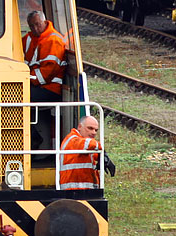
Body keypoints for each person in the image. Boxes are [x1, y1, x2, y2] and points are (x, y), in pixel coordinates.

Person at [23, 10, 67, 153]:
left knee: (16, 99)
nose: (35, 28)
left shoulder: (53, 40)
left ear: (44, 21)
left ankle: (34, 138)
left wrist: (26, 79)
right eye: (32, 26)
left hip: (51, 89)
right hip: (35, 84)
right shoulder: (31, 38)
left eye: (37, 24)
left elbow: (46, 73)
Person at [59, 115, 115, 190]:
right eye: (90, 128)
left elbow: (92, 153)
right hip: (73, 192)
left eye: (96, 130)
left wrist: (101, 157)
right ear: (79, 127)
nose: (93, 132)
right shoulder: (72, 140)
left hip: (83, 191)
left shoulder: (85, 147)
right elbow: (89, 144)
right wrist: (103, 152)